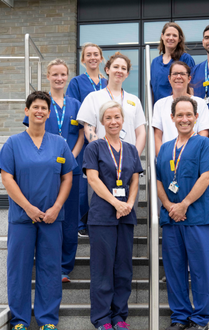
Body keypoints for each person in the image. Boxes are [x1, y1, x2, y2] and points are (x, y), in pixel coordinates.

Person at [0, 91, 75, 330]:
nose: (39, 111)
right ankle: (20, 320)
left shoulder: (59, 143)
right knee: (18, 270)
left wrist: (56, 207)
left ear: (49, 113)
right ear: (27, 111)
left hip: (52, 218)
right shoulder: (13, 143)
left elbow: (67, 178)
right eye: (35, 107)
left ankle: (47, 320)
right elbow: (7, 178)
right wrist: (29, 208)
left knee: (50, 269)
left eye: (44, 108)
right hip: (22, 219)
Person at [156, 96, 209, 330]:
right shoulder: (165, 148)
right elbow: (160, 180)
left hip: (196, 218)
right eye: (179, 115)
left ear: (195, 117)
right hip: (172, 219)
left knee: (201, 269)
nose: (184, 119)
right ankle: (180, 316)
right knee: (174, 271)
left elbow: (206, 177)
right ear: (172, 118)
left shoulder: (203, 144)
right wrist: (169, 205)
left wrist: (184, 204)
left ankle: (201, 318)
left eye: (188, 115)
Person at [83, 101, 143, 330]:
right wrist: (115, 203)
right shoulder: (94, 147)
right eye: (108, 118)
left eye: (117, 117)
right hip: (102, 216)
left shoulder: (130, 149)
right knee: (102, 268)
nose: (113, 121)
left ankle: (119, 316)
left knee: (123, 268)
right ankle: (101, 318)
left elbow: (135, 179)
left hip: (125, 215)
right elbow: (93, 179)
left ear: (122, 119)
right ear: (102, 121)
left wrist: (128, 203)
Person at [23, 59, 84, 283]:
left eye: (63, 74)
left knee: (68, 220)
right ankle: (45, 264)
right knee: (44, 215)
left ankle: (64, 268)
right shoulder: (40, 103)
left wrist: (71, 158)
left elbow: (81, 135)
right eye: (55, 74)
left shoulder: (76, 103)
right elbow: (30, 133)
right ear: (48, 76)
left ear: (67, 77)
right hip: (45, 171)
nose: (59, 78)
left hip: (70, 169)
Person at [66, 42, 107, 238]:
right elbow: (75, 110)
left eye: (95, 54)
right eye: (88, 54)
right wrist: (89, 135)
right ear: (83, 60)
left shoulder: (107, 83)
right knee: (83, 184)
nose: (92, 57)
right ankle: (82, 221)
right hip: (86, 138)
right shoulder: (76, 82)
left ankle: (100, 218)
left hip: (107, 137)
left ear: (101, 58)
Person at [77, 52, 146, 157]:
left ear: (127, 74)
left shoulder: (134, 100)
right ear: (107, 70)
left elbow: (141, 133)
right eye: (116, 67)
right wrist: (103, 153)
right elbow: (89, 130)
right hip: (103, 159)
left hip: (128, 159)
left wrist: (134, 158)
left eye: (123, 68)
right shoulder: (93, 97)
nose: (119, 70)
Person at [153, 61, 209, 156]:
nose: (178, 77)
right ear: (169, 78)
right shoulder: (160, 104)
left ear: (189, 79)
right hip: (168, 159)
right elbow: (157, 136)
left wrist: (193, 155)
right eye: (175, 73)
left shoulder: (200, 103)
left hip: (192, 158)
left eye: (182, 74)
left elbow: (203, 133)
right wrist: (162, 158)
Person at [151, 22, 195, 104]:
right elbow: (153, 90)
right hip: (160, 109)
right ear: (162, 36)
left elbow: (192, 87)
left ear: (179, 39)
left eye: (174, 35)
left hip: (180, 109)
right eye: (168, 35)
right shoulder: (155, 62)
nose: (171, 38)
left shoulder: (185, 59)